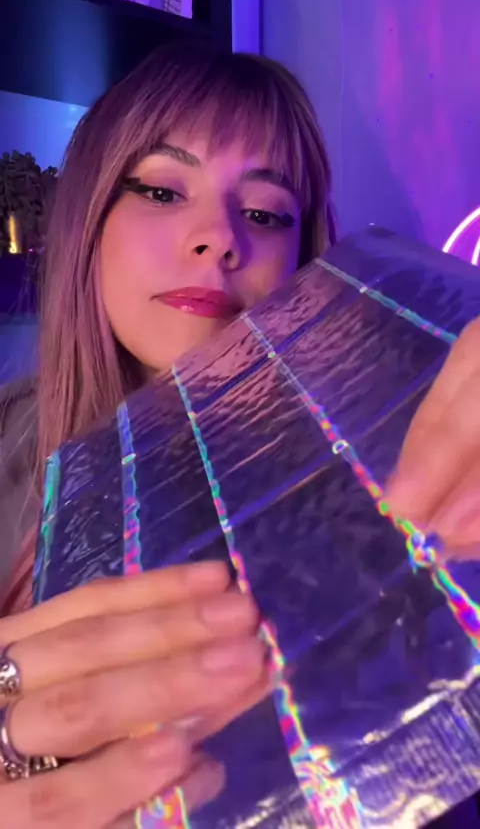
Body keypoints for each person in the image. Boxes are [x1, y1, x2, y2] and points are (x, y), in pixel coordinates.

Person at [0, 43, 479, 828]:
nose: (220, 238)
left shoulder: (393, 480)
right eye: (162, 189)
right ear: (89, 218)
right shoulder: (8, 449)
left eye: (263, 213)